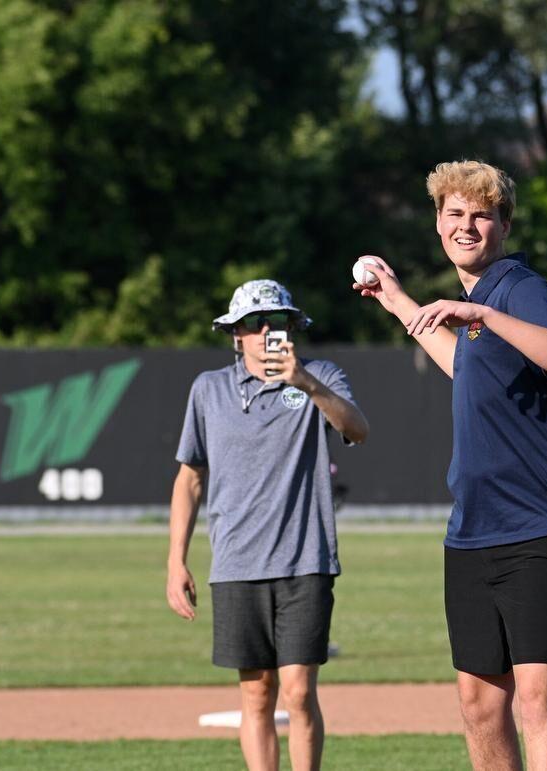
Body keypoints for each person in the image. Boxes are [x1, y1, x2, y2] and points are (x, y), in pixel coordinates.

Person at [353, 160, 547, 770]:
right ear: (438, 223)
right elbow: (467, 367)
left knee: (538, 704)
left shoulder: (516, 288)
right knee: (479, 705)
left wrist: (483, 316)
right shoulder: (475, 302)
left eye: (481, 214)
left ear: (503, 224)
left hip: (540, 525)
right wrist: (396, 300)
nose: (467, 226)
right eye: (455, 214)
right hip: (473, 530)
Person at [166, 279, 369, 771]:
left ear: (291, 326)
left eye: (274, 322)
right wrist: (176, 560)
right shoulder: (208, 389)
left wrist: (307, 384)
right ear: (235, 334)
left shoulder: (319, 374)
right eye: (253, 325)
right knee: (257, 695)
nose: (264, 333)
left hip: (306, 561)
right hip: (237, 563)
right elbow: (190, 476)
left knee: (299, 693)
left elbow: (357, 429)